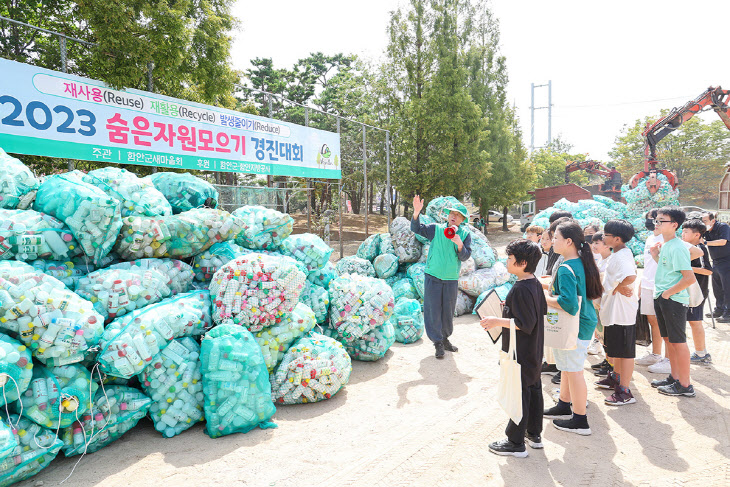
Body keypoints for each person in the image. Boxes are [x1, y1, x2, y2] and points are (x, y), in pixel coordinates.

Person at [480, 239, 547, 458]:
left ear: (522, 262)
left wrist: (496, 320)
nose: (506, 262)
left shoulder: (520, 288)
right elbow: (536, 313)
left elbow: (524, 324)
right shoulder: (534, 284)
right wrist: (508, 309)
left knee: (519, 393)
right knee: (533, 387)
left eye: (510, 259)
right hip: (534, 348)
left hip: (521, 350)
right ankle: (533, 434)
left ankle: (515, 442)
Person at [542, 220, 602, 435]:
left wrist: (547, 298)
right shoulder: (577, 262)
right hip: (583, 323)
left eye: (555, 238)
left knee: (574, 371)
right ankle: (563, 404)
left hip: (575, 327)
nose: (552, 241)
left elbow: (568, 303)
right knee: (568, 368)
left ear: (568, 241)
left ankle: (580, 420)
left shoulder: (566, 268)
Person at [411, 195, 472, 359]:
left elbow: (465, 257)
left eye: (458, 215)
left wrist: (459, 244)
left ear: (462, 219)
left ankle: (445, 339)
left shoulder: (465, 235)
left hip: (451, 278)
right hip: (433, 275)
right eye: (452, 213)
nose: (454, 216)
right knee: (432, 310)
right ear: (447, 215)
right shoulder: (436, 229)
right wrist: (416, 212)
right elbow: (417, 229)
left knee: (448, 310)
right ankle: (437, 342)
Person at [649, 207, 697, 397]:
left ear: (675, 225)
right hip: (664, 297)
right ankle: (674, 378)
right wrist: (655, 256)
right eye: (657, 221)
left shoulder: (677, 246)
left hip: (673, 299)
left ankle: (685, 385)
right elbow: (670, 272)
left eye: (662, 221)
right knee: (669, 340)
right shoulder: (667, 244)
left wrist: (667, 294)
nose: (657, 224)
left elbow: (689, 278)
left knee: (679, 342)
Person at [594, 220, 639, 406]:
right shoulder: (618, 253)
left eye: (606, 235)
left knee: (625, 352)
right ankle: (616, 379)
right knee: (618, 350)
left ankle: (625, 391)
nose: (603, 237)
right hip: (614, 311)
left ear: (617, 239)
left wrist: (619, 287)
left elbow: (631, 276)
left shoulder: (622, 256)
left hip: (621, 313)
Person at [682, 219, 713, 365]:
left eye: (686, 232)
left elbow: (707, 271)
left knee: (695, 322)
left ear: (697, 235)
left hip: (697, 292)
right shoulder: (686, 247)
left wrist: (685, 268)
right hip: (687, 291)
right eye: (682, 231)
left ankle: (701, 353)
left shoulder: (700, 249)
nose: (683, 234)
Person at [701, 212, 730, 323]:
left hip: (727, 261)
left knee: (727, 288)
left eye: (705, 221)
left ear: (713, 220)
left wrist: (706, 242)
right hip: (716, 261)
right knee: (717, 288)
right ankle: (719, 310)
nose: (703, 223)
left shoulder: (723, 227)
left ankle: (728, 314)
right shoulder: (707, 231)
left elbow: (723, 242)